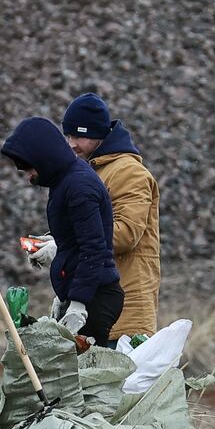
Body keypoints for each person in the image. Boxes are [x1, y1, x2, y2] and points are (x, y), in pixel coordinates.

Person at [1, 117, 123, 345]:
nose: (29, 176)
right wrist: (56, 245)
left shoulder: (78, 186)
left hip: (95, 299)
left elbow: (94, 249)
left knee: (84, 378)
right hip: (86, 294)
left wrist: (78, 304)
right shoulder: (65, 181)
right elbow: (78, 237)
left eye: (29, 168)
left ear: (43, 157)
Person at [56, 92, 161, 341]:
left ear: (97, 133)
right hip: (98, 305)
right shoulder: (95, 171)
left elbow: (125, 235)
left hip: (125, 311)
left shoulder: (129, 173)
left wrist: (64, 245)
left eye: (78, 135)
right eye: (68, 136)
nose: (71, 144)